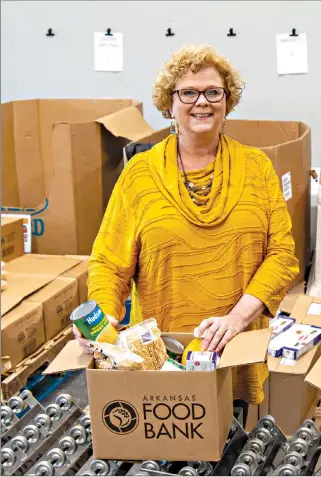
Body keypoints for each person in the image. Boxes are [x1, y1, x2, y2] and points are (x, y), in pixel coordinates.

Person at [73, 44, 299, 423]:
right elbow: (110, 263)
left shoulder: (256, 168)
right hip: (163, 355)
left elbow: (282, 254)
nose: (202, 103)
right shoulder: (139, 175)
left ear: (227, 101)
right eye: (188, 93)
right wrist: (104, 319)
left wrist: (237, 319)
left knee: (230, 442)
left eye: (214, 92)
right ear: (170, 103)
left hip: (235, 346)